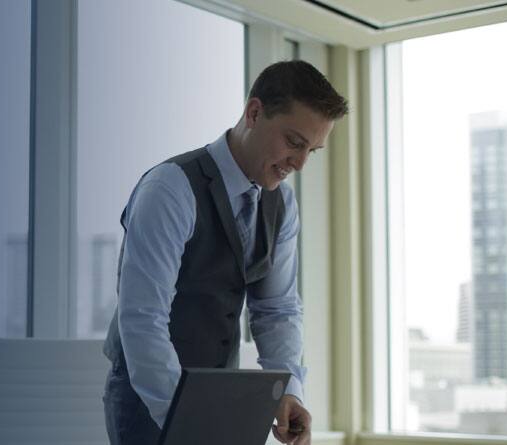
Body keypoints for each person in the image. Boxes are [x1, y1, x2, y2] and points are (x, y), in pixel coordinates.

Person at [102, 60, 348, 445]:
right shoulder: (170, 189)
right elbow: (143, 319)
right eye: (294, 143)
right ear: (254, 113)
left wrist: (288, 391)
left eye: (311, 151)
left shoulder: (281, 203)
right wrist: (185, 420)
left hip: (220, 400)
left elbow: (277, 309)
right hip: (149, 403)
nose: (299, 164)